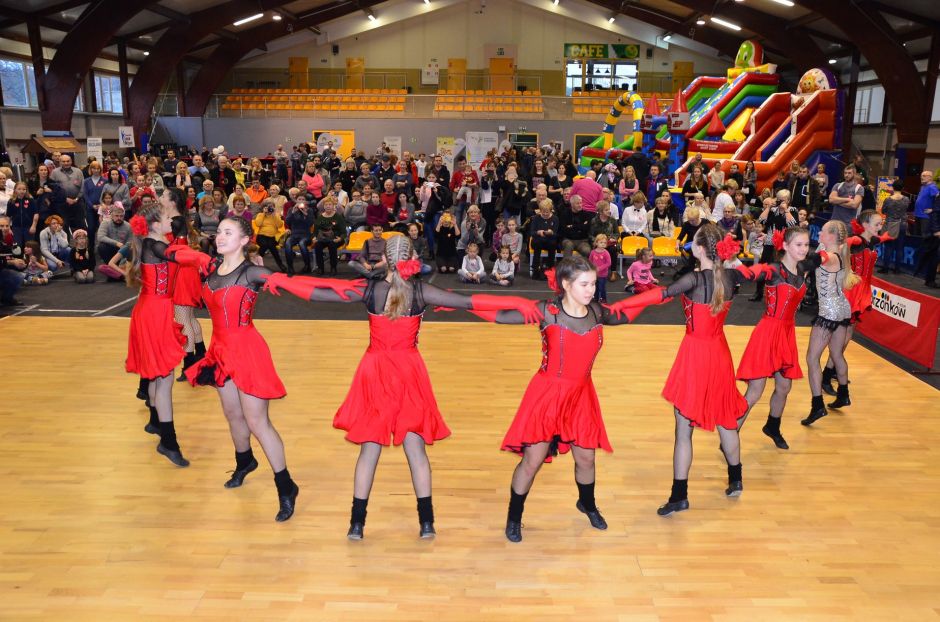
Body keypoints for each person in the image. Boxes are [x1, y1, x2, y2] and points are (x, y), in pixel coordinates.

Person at [263, 235, 541, 539]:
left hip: (375, 371)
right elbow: (468, 301)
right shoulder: (422, 291)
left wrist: (280, 279)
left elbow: (320, 293)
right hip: (409, 372)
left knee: (369, 449)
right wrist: (519, 303)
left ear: (383, 258)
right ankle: (426, 523)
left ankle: (357, 524)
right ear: (412, 258)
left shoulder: (370, 289)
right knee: (416, 450)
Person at [487, 257, 642, 542]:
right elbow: (499, 315)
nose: (591, 290)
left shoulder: (596, 311)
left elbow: (626, 314)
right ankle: (514, 516)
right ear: (566, 284)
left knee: (587, 458)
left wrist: (659, 296)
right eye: (584, 284)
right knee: (532, 460)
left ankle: (587, 504)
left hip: (581, 395)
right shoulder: (548, 312)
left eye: (593, 283)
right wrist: (463, 304)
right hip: (547, 395)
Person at [609, 224, 753, 515]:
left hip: (695, 354)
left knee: (683, 427)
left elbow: (659, 295)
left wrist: (620, 306)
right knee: (726, 417)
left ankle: (679, 496)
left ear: (699, 249)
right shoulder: (731, 276)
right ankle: (736, 478)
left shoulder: (693, 279)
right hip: (720, 352)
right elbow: (755, 272)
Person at [124, 190, 212, 467]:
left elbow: (180, 249)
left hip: (154, 309)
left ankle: (156, 422)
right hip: (155, 313)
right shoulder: (154, 244)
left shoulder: (157, 240)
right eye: (165, 217)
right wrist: (208, 261)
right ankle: (169, 442)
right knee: (164, 378)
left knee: (157, 374)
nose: (170, 219)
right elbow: (177, 254)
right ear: (154, 224)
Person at [737, 227, 813, 450]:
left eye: (806, 244)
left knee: (784, 386)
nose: (804, 249)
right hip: (768, 332)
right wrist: (733, 265)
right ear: (785, 246)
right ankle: (731, 432)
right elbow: (752, 273)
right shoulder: (774, 270)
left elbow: (826, 255)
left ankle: (772, 426)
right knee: (755, 391)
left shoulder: (803, 267)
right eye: (799, 245)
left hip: (787, 333)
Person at [820, 210, 891, 397]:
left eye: (881, 224)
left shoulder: (870, 241)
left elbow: (881, 238)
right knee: (842, 337)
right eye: (877, 224)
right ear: (865, 225)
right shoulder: (857, 241)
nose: (880, 227)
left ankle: (833, 369)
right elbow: (842, 245)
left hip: (862, 289)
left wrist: (886, 235)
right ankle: (826, 375)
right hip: (852, 290)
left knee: (848, 334)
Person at [801, 220, 859, 426]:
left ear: (832, 236)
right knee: (836, 354)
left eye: (823, 231)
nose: (819, 233)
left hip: (830, 310)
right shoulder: (839, 251)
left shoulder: (830, 256)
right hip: (842, 308)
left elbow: (809, 263)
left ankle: (817, 406)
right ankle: (843, 394)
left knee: (812, 358)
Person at [170, 209, 207, 382]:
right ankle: (202, 356)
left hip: (182, 279)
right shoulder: (184, 239)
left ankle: (190, 366)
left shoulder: (177, 242)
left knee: (184, 322)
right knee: (190, 319)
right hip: (189, 277)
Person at [879, 179, 909, 274]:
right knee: (899, 248)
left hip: (890, 225)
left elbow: (883, 211)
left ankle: (885, 269)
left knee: (888, 247)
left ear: (893, 187)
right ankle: (897, 269)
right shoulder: (906, 199)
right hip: (902, 224)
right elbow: (906, 209)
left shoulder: (888, 200)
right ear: (903, 188)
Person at [312, 199, 347, 276]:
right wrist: (314, 238)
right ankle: (320, 268)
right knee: (317, 245)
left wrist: (340, 238)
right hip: (323, 238)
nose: (328, 206)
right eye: (326, 205)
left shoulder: (338, 217)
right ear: (324, 206)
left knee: (332, 244)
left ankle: (333, 268)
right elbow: (315, 231)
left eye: (330, 204)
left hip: (336, 238)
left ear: (333, 206)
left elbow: (344, 232)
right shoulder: (320, 217)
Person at [529, 199, 559, 280]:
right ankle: (536, 269)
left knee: (553, 244)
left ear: (551, 210)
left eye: (547, 212)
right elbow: (532, 232)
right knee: (537, 243)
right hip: (538, 240)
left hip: (550, 240)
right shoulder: (536, 218)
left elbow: (556, 234)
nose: (545, 214)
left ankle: (549, 268)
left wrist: (551, 232)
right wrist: (538, 232)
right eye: (543, 212)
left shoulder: (555, 219)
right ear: (540, 210)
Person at [7, 182, 38, 247]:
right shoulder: (11, 201)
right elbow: (8, 216)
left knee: (30, 246)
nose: (22, 191)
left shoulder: (31, 200)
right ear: (15, 190)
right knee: (17, 246)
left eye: (24, 189)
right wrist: (9, 228)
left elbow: (36, 214)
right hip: (16, 228)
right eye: (19, 189)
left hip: (29, 227)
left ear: (26, 190)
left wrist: (34, 226)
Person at [588, 234, 611, 302]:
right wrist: (591, 269)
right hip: (594, 274)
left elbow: (608, 263)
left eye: (605, 243)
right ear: (596, 243)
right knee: (595, 287)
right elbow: (590, 261)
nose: (603, 244)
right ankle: (596, 298)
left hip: (603, 275)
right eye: (601, 242)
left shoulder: (606, 253)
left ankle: (603, 299)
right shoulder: (593, 252)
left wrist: (599, 268)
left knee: (602, 288)